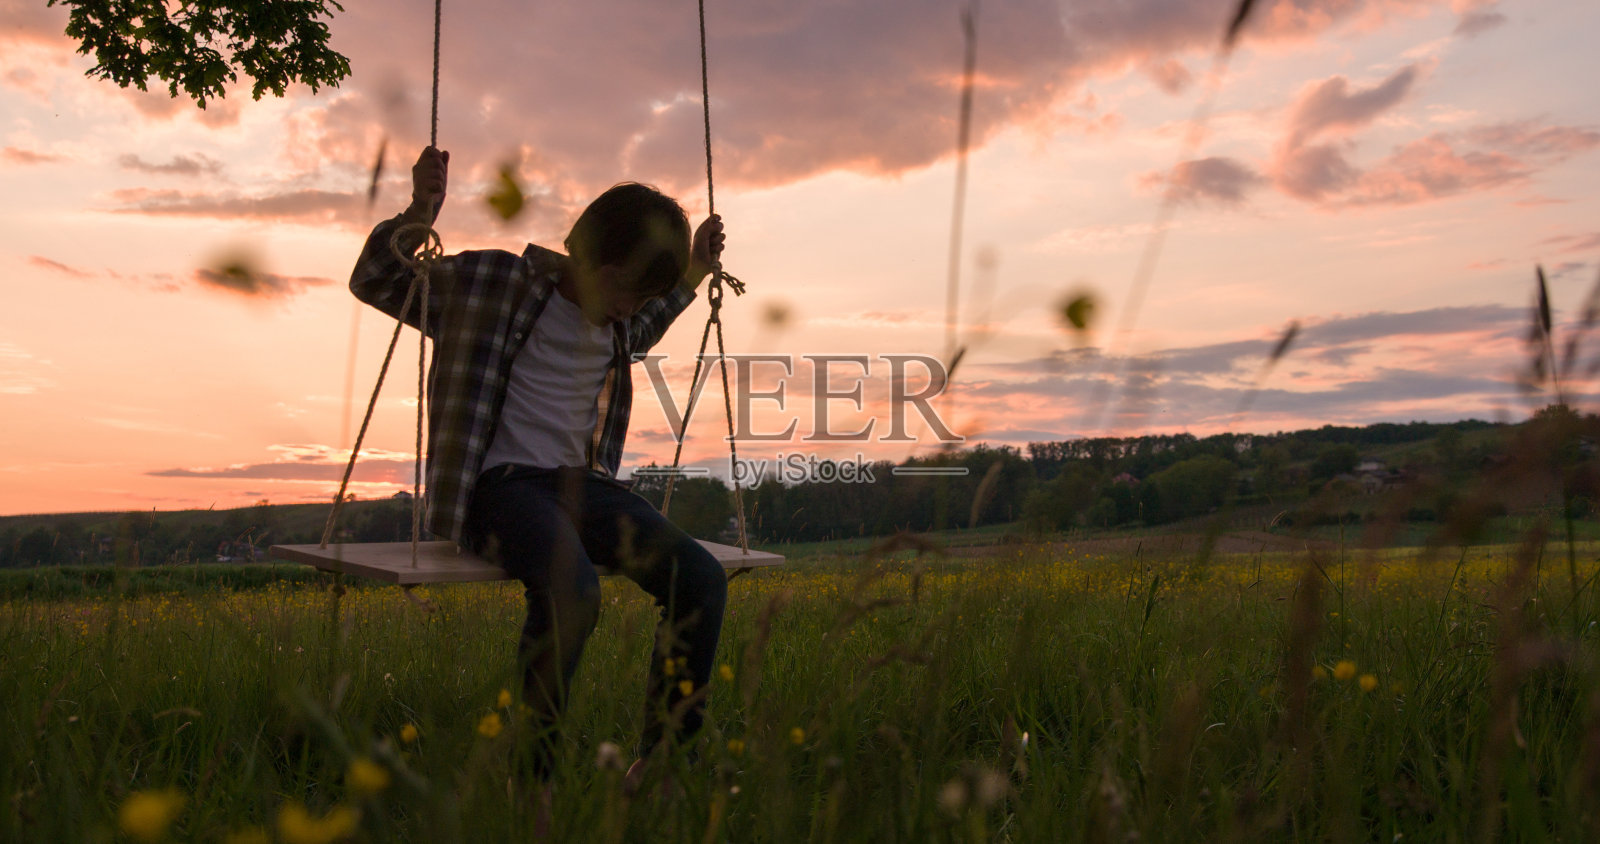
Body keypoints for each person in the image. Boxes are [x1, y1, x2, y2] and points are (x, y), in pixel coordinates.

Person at [350, 146, 729, 794]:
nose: (628, 308)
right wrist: (420, 211)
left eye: (640, 298)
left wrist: (696, 269)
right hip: (501, 486)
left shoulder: (620, 320)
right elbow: (378, 281)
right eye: (623, 288)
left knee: (700, 578)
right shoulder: (494, 285)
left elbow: (651, 318)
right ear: (584, 256)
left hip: (586, 488)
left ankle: (663, 761)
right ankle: (532, 780)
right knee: (572, 592)